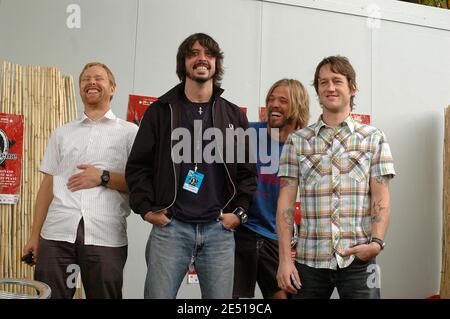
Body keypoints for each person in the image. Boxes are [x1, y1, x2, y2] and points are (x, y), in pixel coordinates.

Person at [125, 33, 257, 299]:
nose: (201, 59)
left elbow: (248, 173)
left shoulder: (234, 116)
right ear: (183, 63)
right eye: (193, 53)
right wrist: (145, 209)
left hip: (219, 231)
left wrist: (238, 214)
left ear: (216, 64)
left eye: (208, 54)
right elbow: (138, 167)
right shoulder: (161, 111)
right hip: (171, 229)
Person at [276, 56, 396, 299]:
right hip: (309, 261)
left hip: (360, 261)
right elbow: (285, 203)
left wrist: (376, 243)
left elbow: (381, 197)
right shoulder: (298, 141)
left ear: (352, 88)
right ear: (317, 91)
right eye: (323, 83)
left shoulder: (373, 138)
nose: (330, 88)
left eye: (337, 81)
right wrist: (285, 260)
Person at [22, 62, 138, 299]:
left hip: (106, 234)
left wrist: (103, 177)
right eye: (85, 79)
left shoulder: (130, 133)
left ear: (113, 88)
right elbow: (48, 187)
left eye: (99, 78)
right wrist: (35, 236)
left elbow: (139, 184)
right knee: (49, 296)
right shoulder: (62, 133)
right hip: (57, 233)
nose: (91, 82)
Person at [232, 79, 309, 299]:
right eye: (271, 99)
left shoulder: (306, 145)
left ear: (298, 105)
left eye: (283, 100)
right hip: (241, 233)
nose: (274, 104)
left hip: (278, 238)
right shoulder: (248, 134)